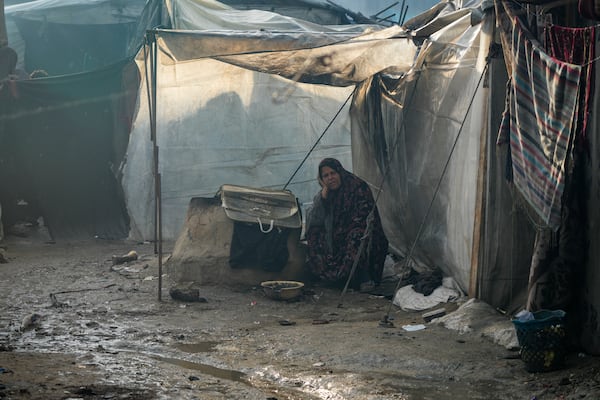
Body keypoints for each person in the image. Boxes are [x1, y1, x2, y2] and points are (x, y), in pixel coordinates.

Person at [305, 158, 388, 291]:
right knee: (314, 234)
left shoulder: (357, 187)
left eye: (333, 173)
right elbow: (314, 220)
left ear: (340, 172)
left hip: (363, 232)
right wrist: (323, 199)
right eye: (325, 176)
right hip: (338, 233)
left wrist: (342, 231)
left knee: (355, 236)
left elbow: (365, 217)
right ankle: (331, 276)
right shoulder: (326, 193)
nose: (330, 178)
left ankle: (362, 276)